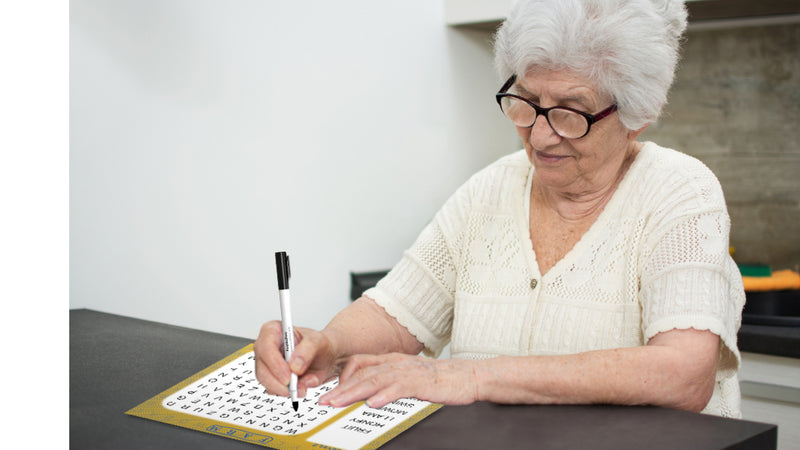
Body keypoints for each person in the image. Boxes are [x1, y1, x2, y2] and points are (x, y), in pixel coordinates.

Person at [255, 0, 745, 418]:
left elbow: (682, 374)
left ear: (637, 115)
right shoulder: (490, 190)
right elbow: (397, 315)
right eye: (526, 101)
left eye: (571, 112)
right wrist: (327, 344)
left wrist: (471, 375)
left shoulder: (681, 192)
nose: (540, 133)